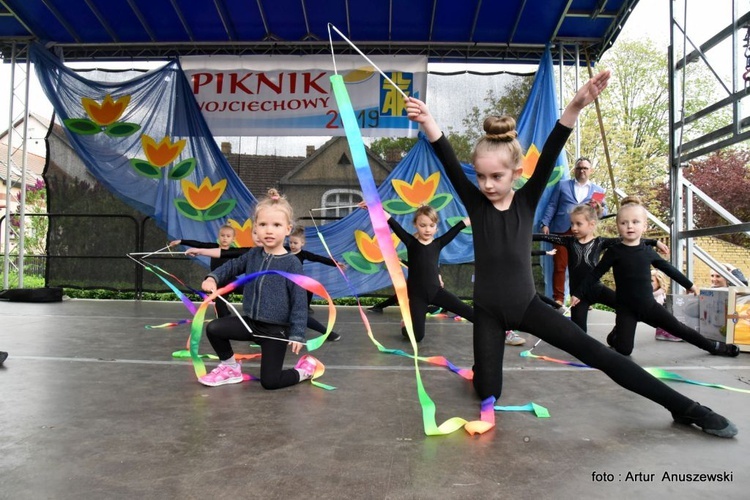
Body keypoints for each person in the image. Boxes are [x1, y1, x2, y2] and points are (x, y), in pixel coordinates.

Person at [406, 70, 737, 438]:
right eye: (481, 177)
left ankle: (687, 407)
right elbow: (449, 161)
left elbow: (551, 149)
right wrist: (429, 122)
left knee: (601, 354)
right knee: (489, 390)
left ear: (515, 173)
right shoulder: (475, 201)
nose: (486, 184)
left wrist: (576, 106)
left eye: (496, 177)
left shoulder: (527, 199)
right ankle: (484, 370)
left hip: (526, 305)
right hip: (486, 313)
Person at [572, 198, 740, 358]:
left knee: (678, 328)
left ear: (644, 226)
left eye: (635, 222)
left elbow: (668, 269)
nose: (629, 226)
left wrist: (689, 285)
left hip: (649, 306)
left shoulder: (647, 251)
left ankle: (714, 347)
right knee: (624, 350)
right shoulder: (614, 252)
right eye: (624, 223)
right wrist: (578, 294)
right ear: (618, 226)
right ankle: (617, 334)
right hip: (626, 309)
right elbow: (595, 274)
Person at [189, 189, 317, 389]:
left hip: (276, 330)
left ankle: (304, 371)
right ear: (255, 228)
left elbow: (299, 301)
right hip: (250, 324)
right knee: (214, 328)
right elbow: (230, 266)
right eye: (263, 224)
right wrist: (212, 278)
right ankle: (230, 367)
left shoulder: (292, 264)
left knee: (270, 382)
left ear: (287, 229)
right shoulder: (253, 254)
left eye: (276, 225)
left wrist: (298, 333)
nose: (269, 230)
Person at [533, 204, 667, 333]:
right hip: (578, 295)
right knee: (579, 333)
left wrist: (654, 242)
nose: (573, 228)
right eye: (572, 224)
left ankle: (656, 327)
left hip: (597, 289)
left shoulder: (600, 242)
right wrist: (523, 236)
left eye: (578, 224)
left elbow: (627, 239)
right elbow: (545, 237)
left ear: (591, 225)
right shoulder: (568, 241)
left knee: (628, 307)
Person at [360, 202, 474, 343]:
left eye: (431, 226)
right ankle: (405, 326)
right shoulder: (411, 242)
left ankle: (498, 329)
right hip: (417, 296)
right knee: (418, 337)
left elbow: (460, 226)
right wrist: (373, 207)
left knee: (470, 312)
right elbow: (391, 221)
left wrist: (479, 215)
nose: (427, 230)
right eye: (423, 225)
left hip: (436, 292)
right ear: (415, 225)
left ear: (436, 227)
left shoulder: (438, 243)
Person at [540, 156, 607, 304]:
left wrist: (598, 208)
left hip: (585, 233)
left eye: (585, 168)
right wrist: (545, 223)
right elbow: (552, 205)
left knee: (584, 266)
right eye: (579, 168)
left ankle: (584, 298)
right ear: (574, 170)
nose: (582, 170)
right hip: (562, 230)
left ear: (591, 171)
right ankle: (558, 299)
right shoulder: (562, 185)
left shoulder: (598, 190)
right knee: (560, 265)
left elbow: (604, 212)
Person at [288, 225, 343, 342]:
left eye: (295, 243)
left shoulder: (303, 254)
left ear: (302, 243)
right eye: (290, 243)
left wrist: (336, 263)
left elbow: (319, 258)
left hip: (297, 282)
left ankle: (305, 308)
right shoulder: (284, 251)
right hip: (285, 283)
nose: (292, 245)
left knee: (309, 288)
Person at [170, 224, 237, 318]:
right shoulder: (213, 247)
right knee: (219, 305)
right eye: (222, 235)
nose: (225, 238)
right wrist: (181, 241)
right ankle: (225, 317)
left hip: (232, 281)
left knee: (251, 289)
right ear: (218, 237)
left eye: (228, 236)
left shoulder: (235, 251)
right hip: (219, 282)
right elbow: (199, 244)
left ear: (233, 239)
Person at [652, 269, 683, 342]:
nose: (648, 283)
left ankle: (663, 331)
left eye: (651, 281)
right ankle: (663, 331)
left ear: (659, 282)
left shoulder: (660, 295)